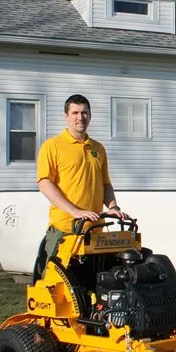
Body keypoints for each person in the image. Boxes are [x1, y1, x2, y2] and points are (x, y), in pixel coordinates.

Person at [35, 94, 128, 273]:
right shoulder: (52, 146)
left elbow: (105, 184)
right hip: (65, 232)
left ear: (90, 116)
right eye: (75, 112)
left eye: (84, 113)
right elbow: (45, 183)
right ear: (66, 116)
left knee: (96, 289)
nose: (80, 117)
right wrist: (75, 212)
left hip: (95, 233)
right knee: (56, 291)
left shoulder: (97, 148)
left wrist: (113, 207)